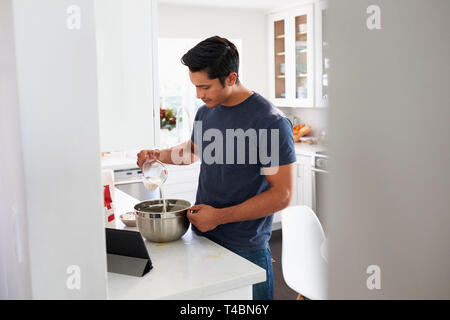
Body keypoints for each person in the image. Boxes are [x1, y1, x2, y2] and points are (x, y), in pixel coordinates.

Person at [137, 36, 296, 300]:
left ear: (231, 78)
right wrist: (157, 155)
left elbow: (282, 194)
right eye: (195, 87)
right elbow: (191, 151)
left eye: (205, 87)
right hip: (203, 236)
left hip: (246, 246)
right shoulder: (206, 112)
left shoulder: (269, 121)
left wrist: (219, 216)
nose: (199, 95)